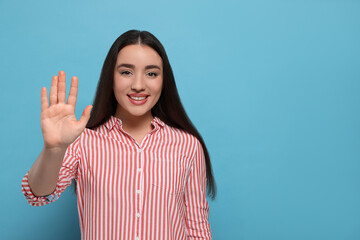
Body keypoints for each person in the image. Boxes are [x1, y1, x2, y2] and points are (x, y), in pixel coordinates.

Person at [21, 29, 216, 240]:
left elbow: (197, 229)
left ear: (163, 80)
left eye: (151, 73)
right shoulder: (84, 142)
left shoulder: (187, 145)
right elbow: (37, 195)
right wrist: (54, 149)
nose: (139, 85)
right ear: (110, 77)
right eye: (126, 72)